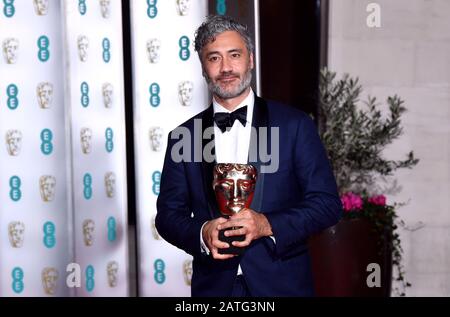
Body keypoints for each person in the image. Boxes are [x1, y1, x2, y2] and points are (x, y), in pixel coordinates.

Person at [156, 15, 342, 297]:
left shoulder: (294, 125)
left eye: (234, 55)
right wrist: (202, 232)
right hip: (214, 289)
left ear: (250, 59)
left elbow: (327, 204)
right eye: (214, 58)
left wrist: (267, 224)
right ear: (203, 68)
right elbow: (168, 217)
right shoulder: (184, 136)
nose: (226, 67)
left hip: (282, 286)